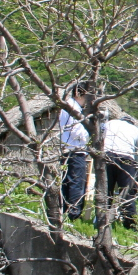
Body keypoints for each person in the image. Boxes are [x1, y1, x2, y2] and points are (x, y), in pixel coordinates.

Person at [101, 115, 138, 230]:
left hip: (107, 156)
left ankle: (102, 219)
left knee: (105, 189)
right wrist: (137, 170)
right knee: (127, 191)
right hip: (126, 158)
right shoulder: (137, 130)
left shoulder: (109, 123)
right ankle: (129, 223)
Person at [59, 82, 92, 221]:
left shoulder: (68, 106)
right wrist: (89, 134)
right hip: (75, 150)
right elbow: (77, 132)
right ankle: (74, 214)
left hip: (67, 150)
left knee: (66, 183)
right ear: (79, 94)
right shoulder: (74, 108)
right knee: (76, 183)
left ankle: (64, 212)